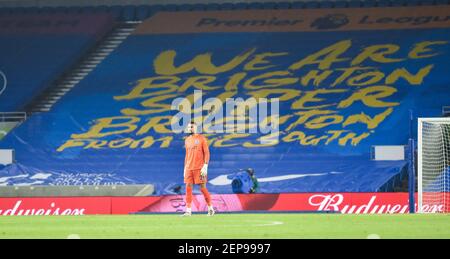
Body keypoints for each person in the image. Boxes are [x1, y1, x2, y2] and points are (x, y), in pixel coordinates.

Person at [182, 121, 215, 216]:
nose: (189, 129)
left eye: (191, 127)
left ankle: (210, 208)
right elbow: (187, 155)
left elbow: (207, 153)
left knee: (202, 188)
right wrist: (185, 168)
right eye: (188, 127)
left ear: (196, 128)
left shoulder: (201, 139)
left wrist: (205, 165)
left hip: (199, 168)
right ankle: (188, 210)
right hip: (189, 167)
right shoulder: (187, 140)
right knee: (188, 187)